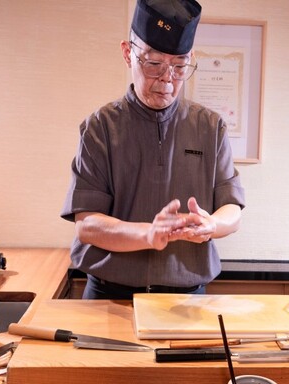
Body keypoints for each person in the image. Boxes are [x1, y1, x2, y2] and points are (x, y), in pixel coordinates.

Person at [61, 0, 245, 300]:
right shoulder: (101, 127)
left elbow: (233, 211)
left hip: (188, 300)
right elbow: (88, 225)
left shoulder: (211, 127)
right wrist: (148, 234)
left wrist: (211, 224)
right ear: (127, 53)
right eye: (154, 64)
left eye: (179, 66)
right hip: (110, 297)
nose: (167, 80)